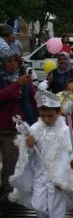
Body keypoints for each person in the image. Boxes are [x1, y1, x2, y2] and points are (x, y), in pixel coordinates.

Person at [9, 88, 73, 218]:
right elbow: (28, 153)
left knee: (56, 209)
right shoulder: (34, 128)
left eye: (50, 116)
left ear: (58, 112)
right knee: (39, 207)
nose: (46, 119)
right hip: (40, 174)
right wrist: (29, 145)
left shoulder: (65, 130)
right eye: (43, 115)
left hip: (57, 176)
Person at [0, 54, 37, 204]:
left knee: (12, 162)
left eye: (15, 61)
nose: (13, 64)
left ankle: (7, 197)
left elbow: (35, 98)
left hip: (14, 130)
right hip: (2, 126)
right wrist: (16, 85)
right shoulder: (4, 80)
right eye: (9, 62)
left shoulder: (23, 79)